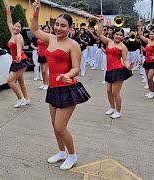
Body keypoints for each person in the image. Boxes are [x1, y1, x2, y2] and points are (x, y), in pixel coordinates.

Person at [30, 0, 90, 170]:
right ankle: (61, 152)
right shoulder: (50, 39)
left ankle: (72, 154)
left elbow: (76, 68)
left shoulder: (73, 45)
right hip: (53, 88)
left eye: (63, 26)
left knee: (60, 126)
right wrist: (36, 12)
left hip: (68, 88)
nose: (58, 28)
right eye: (56, 24)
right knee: (54, 125)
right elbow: (34, 30)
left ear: (70, 28)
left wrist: (67, 75)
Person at [97, 16, 135, 119]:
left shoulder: (123, 47)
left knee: (115, 92)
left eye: (120, 35)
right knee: (109, 91)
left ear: (123, 37)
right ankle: (112, 108)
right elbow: (99, 34)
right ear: (113, 35)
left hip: (118, 70)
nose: (118, 36)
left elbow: (125, 60)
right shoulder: (109, 42)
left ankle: (118, 111)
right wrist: (101, 23)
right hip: (109, 70)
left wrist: (129, 66)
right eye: (117, 34)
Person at [5, 0, 33, 108]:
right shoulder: (13, 32)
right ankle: (26, 99)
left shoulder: (18, 36)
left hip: (20, 61)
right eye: (15, 26)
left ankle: (20, 98)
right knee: (21, 82)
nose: (16, 28)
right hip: (16, 61)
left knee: (10, 80)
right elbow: (9, 22)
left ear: (21, 29)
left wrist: (19, 58)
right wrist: (8, 9)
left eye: (18, 27)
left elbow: (18, 48)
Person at [137, 20, 154, 99]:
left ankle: (152, 92)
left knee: (149, 78)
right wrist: (139, 27)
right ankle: (150, 91)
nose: (150, 36)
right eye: (150, 34)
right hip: (147, 61)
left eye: (152, 34)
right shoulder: (148, 41)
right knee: (147, 79)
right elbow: (141, 36)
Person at [37, 25, 50, 90]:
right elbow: (38, 45)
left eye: (47, 29)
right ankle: (44, 83)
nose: (46, 30)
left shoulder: (49, 37)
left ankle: (47, 84)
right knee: (42, 71)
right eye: (45, 29)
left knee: (45, 71)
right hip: (40, 54)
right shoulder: (40, 36)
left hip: (46, 55)